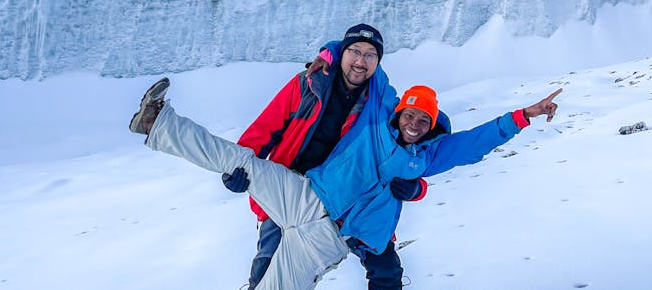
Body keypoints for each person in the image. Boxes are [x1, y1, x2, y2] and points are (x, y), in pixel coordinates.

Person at [128, 47, 562, 290]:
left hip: (329, 239)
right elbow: (364, 54)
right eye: (410, 114)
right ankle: (158, 124)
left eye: (422, 121)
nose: (413, 123)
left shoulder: (428, 156)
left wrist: (525, 114)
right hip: (306, 195)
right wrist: (329, 52)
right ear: (399, 111)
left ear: (430, 127)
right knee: (244, 161)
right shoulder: (377, 114)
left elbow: (478, 141)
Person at [222, 23, 423, 290]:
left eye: (370, 55)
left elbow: (407, 154)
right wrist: (237, 168)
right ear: (342, 52)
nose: (361, 61)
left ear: (378, 62)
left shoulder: (382, 106)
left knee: (386, 269)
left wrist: (415, 187)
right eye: (355, 51)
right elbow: (266, 128)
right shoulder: (307, 85)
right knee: (269, 267)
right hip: (290, 189)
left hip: (349, 198)